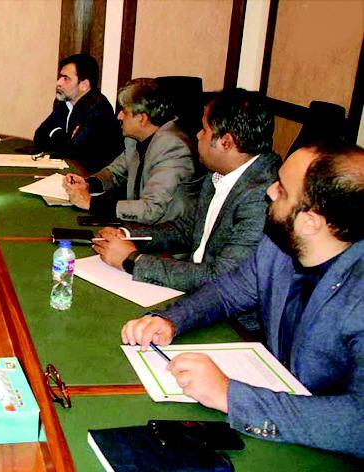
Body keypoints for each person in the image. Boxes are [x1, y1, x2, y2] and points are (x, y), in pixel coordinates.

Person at [121, 142, 364, 456]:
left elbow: (358, 422)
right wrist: (171, 320)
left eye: (282, 190)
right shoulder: (278, 247)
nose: (270, 191)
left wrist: (229, 395)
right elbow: (227, 292)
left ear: (311, 222)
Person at [94, 89, 280, 292]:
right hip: (196, 287)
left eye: (204, 130)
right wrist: (128, 234)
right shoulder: (219, 174)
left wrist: (133, 260)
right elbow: (186, 229)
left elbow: (222, 278)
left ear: (226, 142)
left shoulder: (261, 196)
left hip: (221, 305)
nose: (198, 135)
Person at [63, 78, 196, 225]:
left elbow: (152, 209)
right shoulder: (134, 139)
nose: (119, 116)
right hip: (141, 225)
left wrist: (90, 203)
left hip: (167, 232)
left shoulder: (172, 146)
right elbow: (116, 173)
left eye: (124, 112)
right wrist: (88, 184)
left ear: (142, 118)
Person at [33, 54, 123, 173]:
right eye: (60, 77)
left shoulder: (98, 110)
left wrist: (54, 133)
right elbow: (39, 136)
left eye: (66, 78)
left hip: (93, 177)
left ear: (84, 85)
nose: (58, 82)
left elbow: (74, 153)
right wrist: (61, 137)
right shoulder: (62, 102)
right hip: (67, 171)